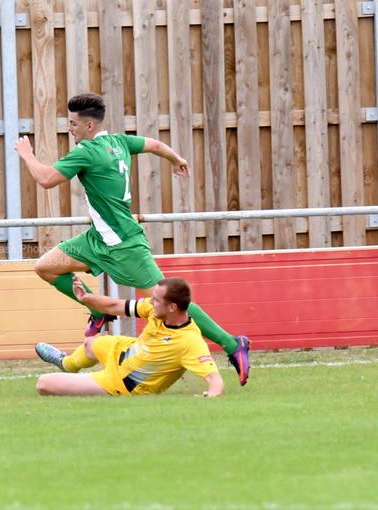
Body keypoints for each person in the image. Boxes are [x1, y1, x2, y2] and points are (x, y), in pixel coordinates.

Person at [14, 92, 250, 386]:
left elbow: (46, 179)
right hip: (97, 239)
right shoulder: (119, 142)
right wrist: (176, 159)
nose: (70, 129)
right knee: (46, 267)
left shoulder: (87, 151)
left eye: (73, 124)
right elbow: (156, 145)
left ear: (89, 126)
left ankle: (232, 343)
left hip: (125, 244)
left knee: (168, 301)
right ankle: (97, 308)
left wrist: (26, 154)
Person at [35, 275, 224, 397]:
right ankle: (66, 364)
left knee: (43, 384)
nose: (151, 301)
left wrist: (212, 394)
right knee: (89, 344)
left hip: (120, 382)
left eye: (156, 299)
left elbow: (215, 379)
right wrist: (86, 298)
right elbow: (114, 306)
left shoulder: (190, 341)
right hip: (124, 350)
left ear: (172, 307)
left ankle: (72, 373)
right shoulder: (153, 308)